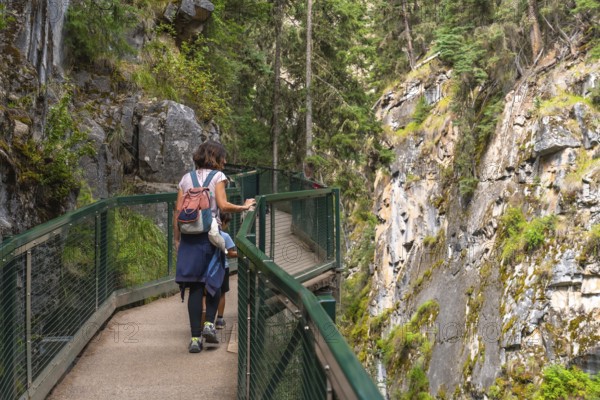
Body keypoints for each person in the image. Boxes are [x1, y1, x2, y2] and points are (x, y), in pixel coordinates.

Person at [174, 140, 255, 353]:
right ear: (215, 157)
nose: (225, 161)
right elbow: (223, 205)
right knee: (215, 279)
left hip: (189, 238)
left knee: (194, 287)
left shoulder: (185, 179)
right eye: (223, 157)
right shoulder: (218, 177)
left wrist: (177, 239)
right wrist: (244, 206)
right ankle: (209, 324)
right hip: (210, 236)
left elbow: (177, 212)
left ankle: (194, 339)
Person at [215, 213, 236, 329]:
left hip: (209, 269)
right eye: (227, 223)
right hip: (223, 267)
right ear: (222, 222)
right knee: (221, 293)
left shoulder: (207, 234)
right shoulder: (225, 236)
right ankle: (219, 319)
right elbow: (231, 253)